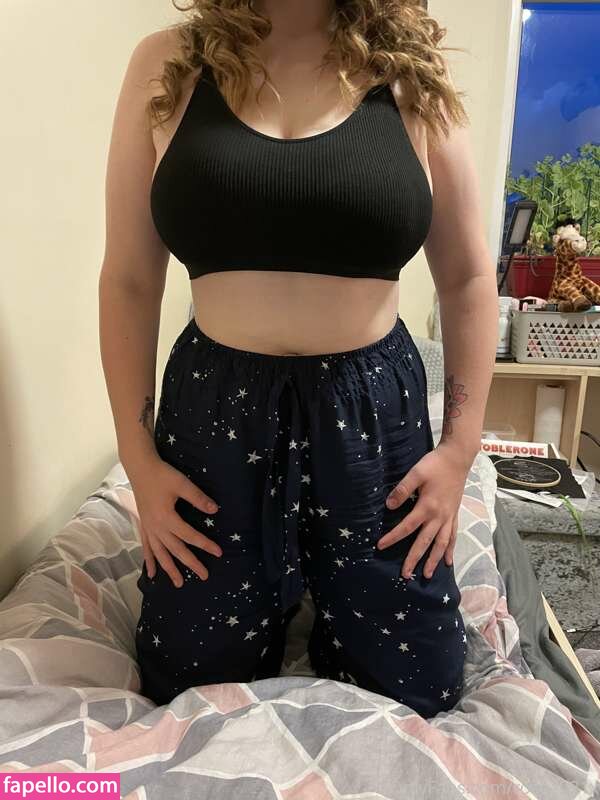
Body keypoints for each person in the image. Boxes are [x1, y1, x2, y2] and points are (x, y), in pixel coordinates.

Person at [99, 0, 499, 717]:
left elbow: (468, 277)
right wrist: (138, 457)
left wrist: (460, 449)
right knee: (186, 681)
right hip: (214, 411)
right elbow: (129, 279)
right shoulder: (168, 62)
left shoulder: (410, 72)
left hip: (371, 414)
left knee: (418, 686)